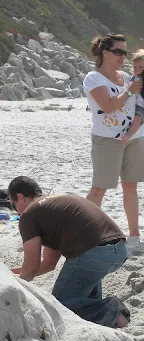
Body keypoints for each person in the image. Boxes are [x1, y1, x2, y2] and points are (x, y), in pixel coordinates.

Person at [8, 176, 129, 329]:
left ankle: (113, 310)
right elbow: (48, 264)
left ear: (20, 197)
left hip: (92, 252)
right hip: (118, 250)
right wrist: (10, 272)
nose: (17, 212)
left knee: (59, 307)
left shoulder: (29, 215)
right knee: (81, 303)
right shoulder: (53, 205)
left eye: (13, 206)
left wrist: (13, 284)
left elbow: (31, 268)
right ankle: (102, 317)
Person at [83, 33, 144, 248]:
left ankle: (134, 237)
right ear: (105, 52)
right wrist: (129, 91)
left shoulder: (127, 76)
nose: (123, 56)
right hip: (108, 140)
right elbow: (108, 106)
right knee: (99, 188)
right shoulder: (93, 78)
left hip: (134, 138)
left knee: (131, 187)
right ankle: (87, 234)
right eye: (119, 52)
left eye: (125, 53)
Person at [122, 50, 144, 143]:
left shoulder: (141, 78)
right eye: (134, 67)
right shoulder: (135, 76)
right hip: (135, 102)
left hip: (141, 105)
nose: (137, 69)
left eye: (141, 67)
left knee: (138, 118)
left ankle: (129, 135)